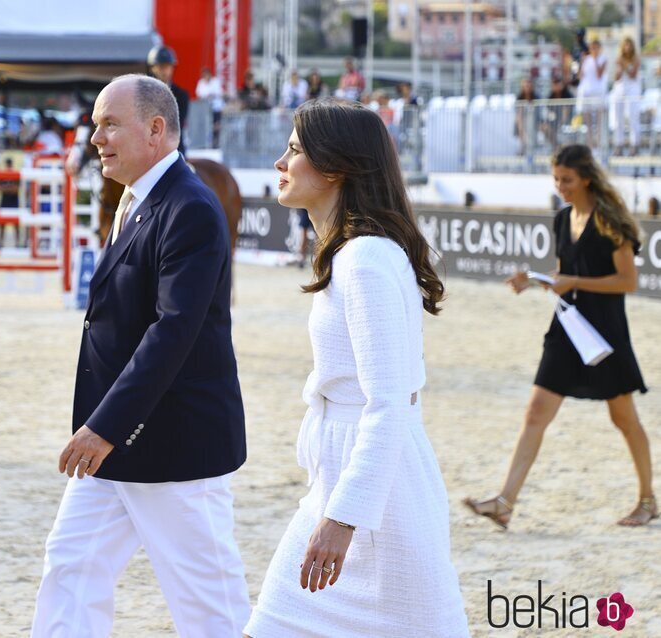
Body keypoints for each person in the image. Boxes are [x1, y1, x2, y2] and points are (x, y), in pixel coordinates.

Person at [31, 74, 250, 637]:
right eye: (95, 123)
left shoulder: (191, 207)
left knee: (208, 606)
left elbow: (172, 330)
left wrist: (104, 426)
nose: (94, 136)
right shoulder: (134, 199)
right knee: (72, 565)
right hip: (116, 446)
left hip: (175, 445)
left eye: (109, 123)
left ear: (156, 130)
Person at [244, 98, 468, 637]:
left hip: (380, 494)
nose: (280, 162)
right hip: (343, 477)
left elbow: (389, 403)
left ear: (335, 167)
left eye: (294, 150)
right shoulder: (351, 254)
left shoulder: (366, 259)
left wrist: (345, 517)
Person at [465, 144, 656, 529]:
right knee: (535, 412)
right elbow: (562, 273)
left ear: (586, 177)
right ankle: (504, 502)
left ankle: (649, 500)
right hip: (567, 326)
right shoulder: (563, 218)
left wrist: (575, 281)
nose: (560, 186)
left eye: (566, 180)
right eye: (556, 179)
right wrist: (534, 281)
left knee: (624, 419)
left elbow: (628, 281)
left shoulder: (610, 220)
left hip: (604, 332)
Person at [147, 44, 190, 156]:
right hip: (148, 147)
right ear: (153, 68)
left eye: (167, 66)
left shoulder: (181, 95)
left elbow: (176, 124)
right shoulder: (144, 95)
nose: (164, 71)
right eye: (161, 66)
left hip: (174, 149)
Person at [611, 37, 641, 155]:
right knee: (618, 118)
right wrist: (619, 67)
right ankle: (619, 144)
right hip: (620, 89)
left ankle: (635, 144)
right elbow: (616, 78)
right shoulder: (619, 60)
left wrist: (623, 64)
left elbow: (633, 75)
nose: (627, 48)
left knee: (633, 116)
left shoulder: (636, 59)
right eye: (626, 45)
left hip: (632, 90)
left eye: (629, 45)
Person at [576, 39, 609, 148]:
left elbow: (599, 74)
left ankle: (599, 142)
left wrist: (595, 60)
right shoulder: (586, 59)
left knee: (599, 121)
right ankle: (589, 143)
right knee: (588, 121)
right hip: (586, 93)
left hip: (598, 93)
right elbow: (580, 76)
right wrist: (581, 62)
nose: (594, 50)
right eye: (592, 48)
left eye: (596, 48)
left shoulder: (603, 59)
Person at [196, 67, 225, 146]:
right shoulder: (201, 83)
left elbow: (218, 92)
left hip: (216, 107)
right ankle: (206, 142)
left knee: (216, 124)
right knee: (206, 125)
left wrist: (210, 95)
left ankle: (215, 141)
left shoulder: (215, 81)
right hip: (205, 108)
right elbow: (199, 93)